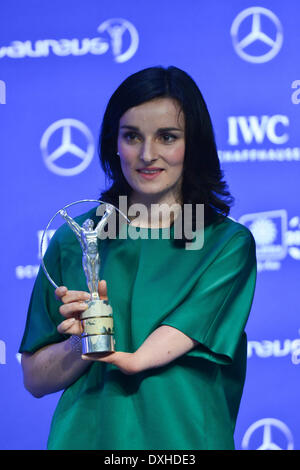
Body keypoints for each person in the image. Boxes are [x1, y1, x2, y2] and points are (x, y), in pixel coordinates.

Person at [19, 66, 257, 450]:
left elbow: (179, 336)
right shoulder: (77, 238)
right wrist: (81, 343)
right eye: (132, 136)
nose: (148, 155)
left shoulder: (226, 243)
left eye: (167, 137)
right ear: (114, 142)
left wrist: (131, 357)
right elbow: (34, 379)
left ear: (191, 144)